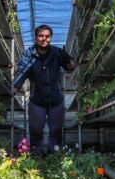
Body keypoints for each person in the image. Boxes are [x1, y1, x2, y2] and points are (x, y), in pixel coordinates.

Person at [13, 24, 76, 155]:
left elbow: (71, 67)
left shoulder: (57, 52)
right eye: (41, 36)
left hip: (56, 99)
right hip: (37, 100)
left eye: (47, 36)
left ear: (50, 38)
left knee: (56, 129)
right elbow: (21, 72)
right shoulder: (29, 54)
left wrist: (68, 60)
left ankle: (55, 155)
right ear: (36, 37)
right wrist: (15, 87)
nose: (44, 39)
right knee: (35, 129)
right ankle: (37, 155)